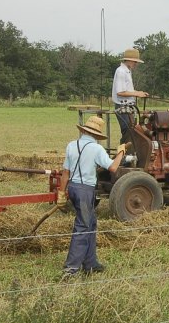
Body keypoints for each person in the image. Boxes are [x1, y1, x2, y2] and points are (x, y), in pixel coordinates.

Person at [58, 115, 127, 277]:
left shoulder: (71, 145)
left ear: (83, 131)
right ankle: (71, 268)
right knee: (82, 226)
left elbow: (65, 172)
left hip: (73, 188)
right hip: (85, 191)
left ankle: (90, 263)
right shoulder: (97, 149)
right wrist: (121, 152)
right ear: (96, 135)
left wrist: (61, 193)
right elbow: (113, 167)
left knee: (91, 223)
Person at [112, 48, 149, 142]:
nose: (136, 64)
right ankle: (123, 153)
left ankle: (128, 153)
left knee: (132, 132)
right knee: (128, 133)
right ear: (128, 60)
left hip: (128, 106)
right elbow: (120, 92)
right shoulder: (121, 71)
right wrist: (137, 94)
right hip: (122, 106)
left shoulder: (127, 71)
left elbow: (127, 90)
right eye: (134, 62)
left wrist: (140, 93)